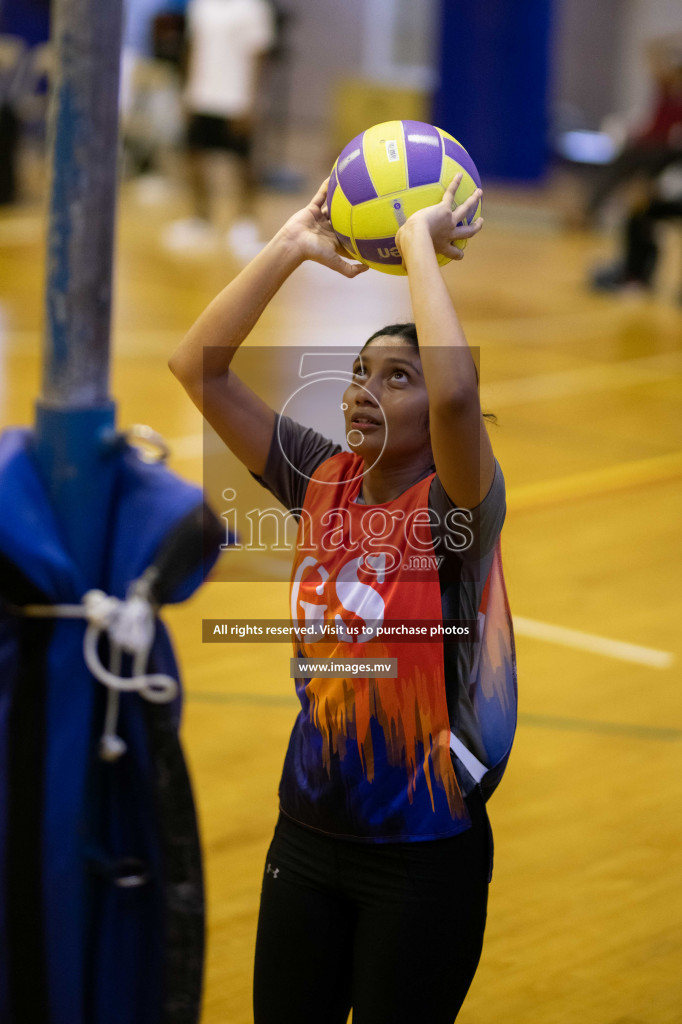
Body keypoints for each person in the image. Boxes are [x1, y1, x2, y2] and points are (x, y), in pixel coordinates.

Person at [169, 175, 517, 1024]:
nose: (365, 387)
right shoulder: (319, 476)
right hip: (307, 829)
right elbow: (197, 369)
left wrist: (419, 250)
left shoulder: (456, 508)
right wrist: (290, 246)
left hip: (422, 850)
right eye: (360, 371)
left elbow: (459, 394)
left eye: (397, 377)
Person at [163, 0, 275, 256]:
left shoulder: (253, 8)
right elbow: (192, 48)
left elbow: (259, 56)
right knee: (192, 158)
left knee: (242, 164)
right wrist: (186, 91)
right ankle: (202, 220)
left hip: (235, 100)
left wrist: (252, 101)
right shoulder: (200, 6)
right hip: (202, 95)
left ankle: (245, 223)